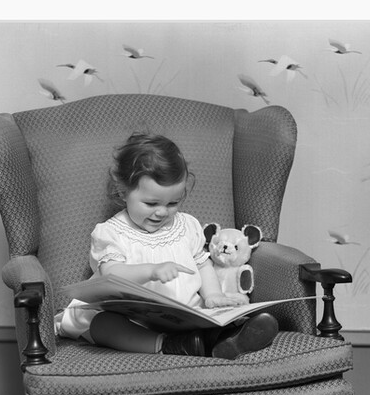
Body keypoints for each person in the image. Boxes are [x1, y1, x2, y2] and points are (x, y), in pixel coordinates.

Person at [54, 132, 278, 358]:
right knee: (104, 324)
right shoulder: (112, 232)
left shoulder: (186, 226)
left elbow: (202, 264)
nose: (162, 212)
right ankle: (171, 346)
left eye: (173, 202)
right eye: (151, 203)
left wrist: (212, 294)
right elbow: (111, 273)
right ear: (123, 192)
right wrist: (151, 271)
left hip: (186, 314)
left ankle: (225, 338)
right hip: (133, 320)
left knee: (220, 314)